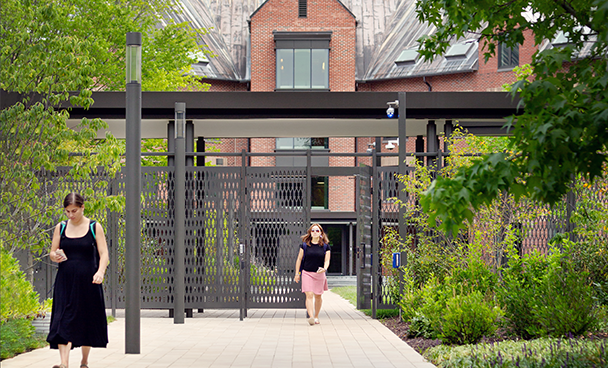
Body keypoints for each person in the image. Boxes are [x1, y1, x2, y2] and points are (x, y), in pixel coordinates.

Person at [47, 193, 109, 368]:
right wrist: (55, 256)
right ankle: (64, 363)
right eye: (67, 211)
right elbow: (52, 251)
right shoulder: (61, 227)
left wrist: (100, 272)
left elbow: (104, 253)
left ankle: (84, 361)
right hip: (65, 280)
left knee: (85, 319)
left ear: (82, 207)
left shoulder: (94, 227)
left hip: (88, 281)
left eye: (74, 210)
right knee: (62, 318)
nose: (70, 215)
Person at [294, 223, 331, 325]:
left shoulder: (325, 247)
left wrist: (324, 268)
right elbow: (299, 259)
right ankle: (311, 317)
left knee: (318, 296)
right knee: (309, 294)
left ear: (321, 233)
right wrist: (297, 273)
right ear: (310, 233)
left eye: (317, 230)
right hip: (307, 273)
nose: (315, 232)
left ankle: (316, 316)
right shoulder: (305, 245)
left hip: (319, 274)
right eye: (313, 230)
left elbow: (327, 260)